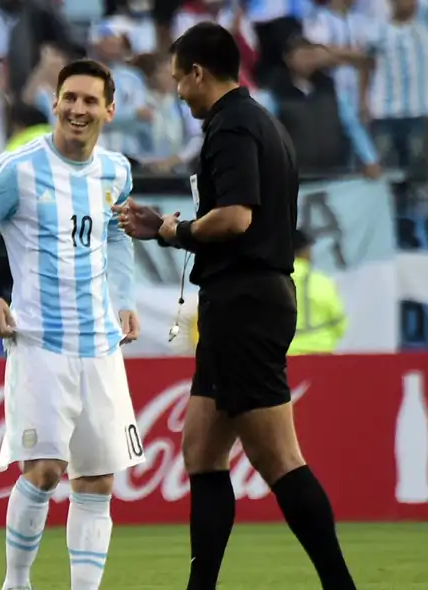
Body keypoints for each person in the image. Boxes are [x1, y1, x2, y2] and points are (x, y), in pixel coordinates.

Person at [114, 22, 357, 590]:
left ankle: (340, 585)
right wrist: (166, 227)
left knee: (279, 459)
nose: (177, 91)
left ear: (199, 72)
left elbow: (236, 217)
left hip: (247, 302)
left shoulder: (230, 127)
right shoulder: (261, 122)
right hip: (238, 302)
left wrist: (173, 231)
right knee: (199, 450)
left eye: (179, 79)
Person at [0, 59, 144, 590]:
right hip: (38, 341)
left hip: (101, 345)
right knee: (45, 470)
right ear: (54, 102)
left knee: (98, 480)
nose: (78, 109)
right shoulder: (18, 168)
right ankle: (17, 583)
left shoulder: (116, 171)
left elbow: (120, 233)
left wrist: (123, 298)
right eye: (69, 98)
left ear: (109, 108)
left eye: (89, 100)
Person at [288, 228, 347, 355]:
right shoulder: (322, 282)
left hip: (284, 356)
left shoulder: (272, 283)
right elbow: (340, 323)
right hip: (321, 354)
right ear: (305, 251)